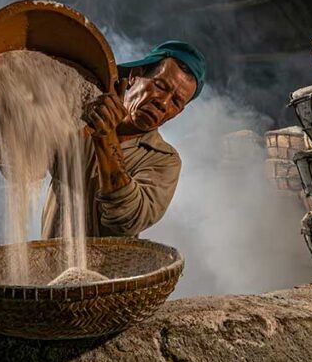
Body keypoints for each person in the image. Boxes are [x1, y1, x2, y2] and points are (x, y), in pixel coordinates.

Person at [41, 40, 206, 239]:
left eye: (176, 102)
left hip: (109, 270)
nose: (163, 103)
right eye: (161, 86)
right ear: (135, 75)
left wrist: (105, 136)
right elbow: (22, 166)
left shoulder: (163, 160)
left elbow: (127, 219)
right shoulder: (77, 117)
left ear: (179, 112)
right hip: (52, 265)